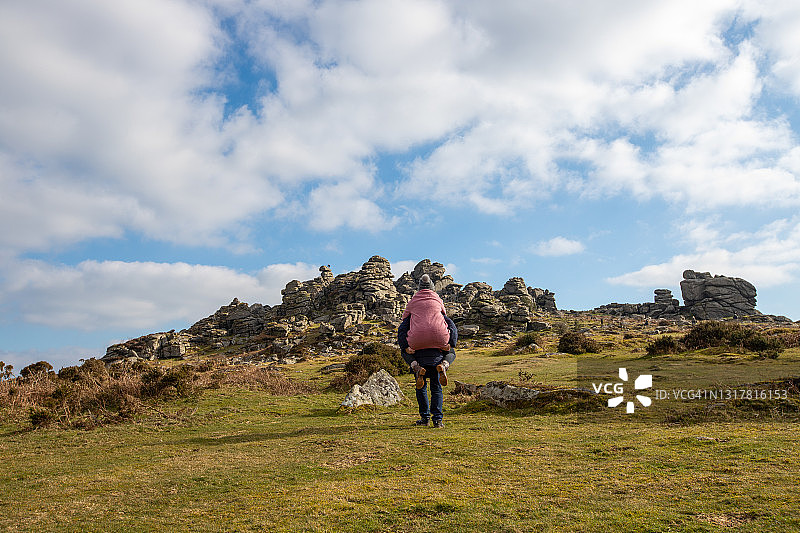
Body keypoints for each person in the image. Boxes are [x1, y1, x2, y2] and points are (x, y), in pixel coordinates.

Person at [397, 274, 457, 429]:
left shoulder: (413, 302)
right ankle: (438, 420)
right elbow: (450, 324)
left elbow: (402, 328)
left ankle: (416, 366)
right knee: (436, 388)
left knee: (421, 387)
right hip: (438, 348)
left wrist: (405, 346)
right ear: (432, 288)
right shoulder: (438, 301)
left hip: (418, 349)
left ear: (418, 289)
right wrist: (451, 343)